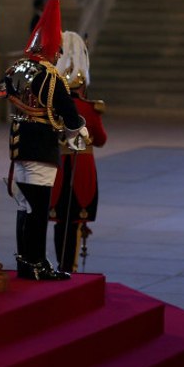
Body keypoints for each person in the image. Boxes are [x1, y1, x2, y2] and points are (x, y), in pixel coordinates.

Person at [3, 0, 85, 281]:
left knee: (24, 206)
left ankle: (24, 260)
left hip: (18, 144)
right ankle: (36, 263)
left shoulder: (16, 70)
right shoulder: (52, 79)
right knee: (38, 209)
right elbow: (71, 117)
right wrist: (75, 131)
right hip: (41, 147)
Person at [50, 31, 107, 274]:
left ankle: (57, 264)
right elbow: (101, 140)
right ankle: (69, 268)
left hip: (57, 164)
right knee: (74, 221)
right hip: (81, 166)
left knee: (58, 220)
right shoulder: (89, 108)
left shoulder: (51, 104)